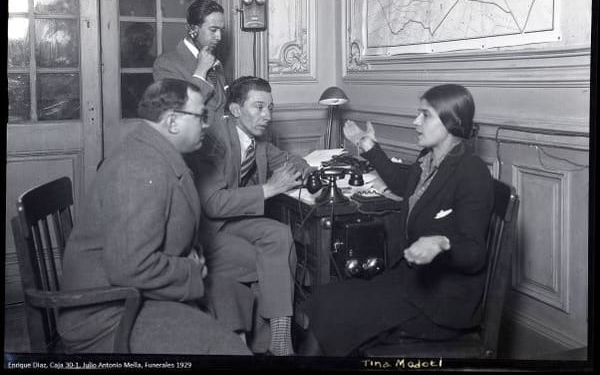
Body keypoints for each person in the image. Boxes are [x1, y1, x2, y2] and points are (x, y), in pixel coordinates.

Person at [298, 83, 494, 356]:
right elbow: (405, 184)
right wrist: (367, 145)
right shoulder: (429, 159)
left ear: (451, 122)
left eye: (425, 115)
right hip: (411, 284)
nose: (416, 122)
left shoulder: (472, 172)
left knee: (332, 310)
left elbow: (474, 252)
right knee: (326, 298)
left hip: (442, 304)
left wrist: (442, 242)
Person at [58, 78, 252, 355]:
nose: (206, 124)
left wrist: (189, 258)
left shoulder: (153, 151)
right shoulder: (139, 168)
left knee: (235, 298)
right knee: (226, 348)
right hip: (110, 315)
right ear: (172, 122)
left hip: (135, 297)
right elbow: (131, 268)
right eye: (201, 116)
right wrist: (191, 268)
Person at [187, 76, 312, 356]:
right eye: (258, 107)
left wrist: (301, 169)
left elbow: (291, 160)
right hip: (204, 231)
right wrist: (269, 188)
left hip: (233, 222)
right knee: (269, 260)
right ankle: (274, 335)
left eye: (270, 108)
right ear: (234, 110)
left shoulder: (258, 142)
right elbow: (214, 204)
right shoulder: (214, 141)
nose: (267, 116)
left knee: (280, 235)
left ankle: (279, 337)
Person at [153, 0, 227, 126]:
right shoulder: (166, 63)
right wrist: (201, 70)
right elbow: (179, 111)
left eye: (221, 30)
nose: (219, 37)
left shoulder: (214, 60)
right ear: (193, 30)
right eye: (213, 30)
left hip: (223, 140)